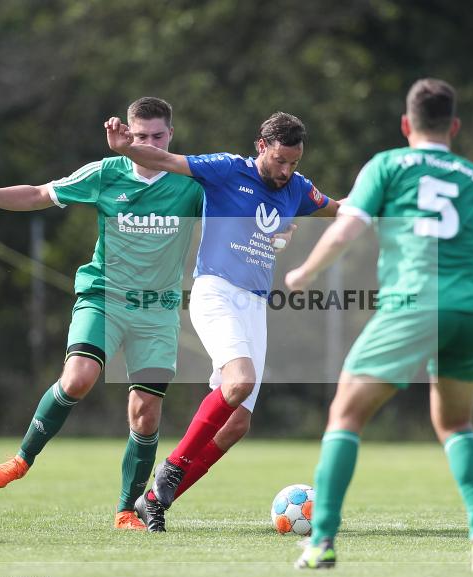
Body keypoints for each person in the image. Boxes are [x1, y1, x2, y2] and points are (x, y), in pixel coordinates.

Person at [0, 97, 258, 531]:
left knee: (146, 412)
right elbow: (41, 194)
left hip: (157, 310)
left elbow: (236, 212)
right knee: (78, 378)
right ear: (128, 136)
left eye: (158, 136)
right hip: (104, 297)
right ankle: (22, 458)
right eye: (141, 136)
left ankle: (125, 510)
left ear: (171, 135)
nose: (149, 144)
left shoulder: (191, 184)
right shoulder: (105, 173)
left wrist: (277, 227)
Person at [284, 78, 473, 570]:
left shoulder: (387, 165)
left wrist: (305, 272)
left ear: (406, 124)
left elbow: (346, 229)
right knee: (456, 424)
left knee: (345, 416)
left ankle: (321, 543)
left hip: (413, 304)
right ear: (455, 127)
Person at [105, 111, 340, 531]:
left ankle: (154, 500)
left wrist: (387, 199)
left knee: (236, 425)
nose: (286, 171)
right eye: (280, 160)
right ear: (261, 146)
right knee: (239, 381)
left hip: (255, 306)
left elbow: (339, 210)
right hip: (216, 292)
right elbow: (167, 160)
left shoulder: (298, 188)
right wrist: (128, 149)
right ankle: (172, 468)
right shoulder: (228, 169)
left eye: (294, 163)